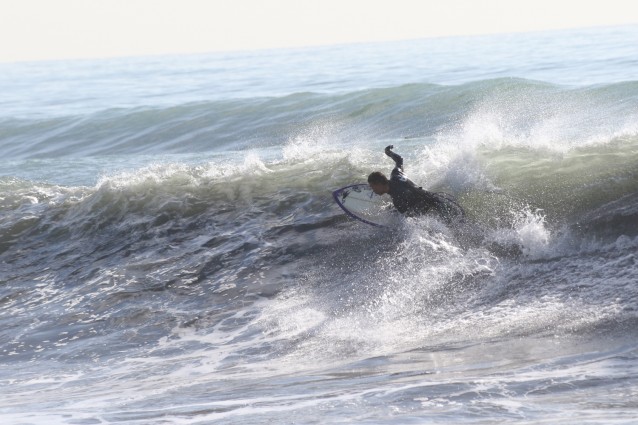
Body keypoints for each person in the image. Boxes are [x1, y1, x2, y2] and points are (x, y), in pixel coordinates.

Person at [368, 145, 464, 223]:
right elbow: (399, 160)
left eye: (373, 187)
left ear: (379, 184)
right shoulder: (396, 174)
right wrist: (389, 152)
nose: (373, 190)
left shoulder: (398, 200)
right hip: (435, 197)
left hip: (435, 207)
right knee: (461, 219)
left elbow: (412, 219)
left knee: (455, 224)